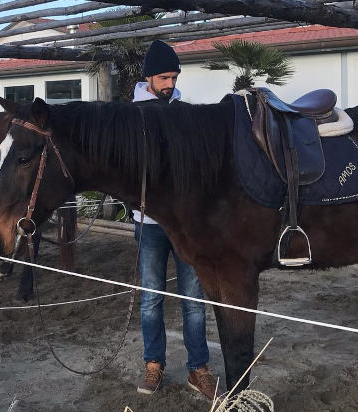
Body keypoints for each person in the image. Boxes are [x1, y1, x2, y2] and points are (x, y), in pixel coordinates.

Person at [132, 40, 217, 400]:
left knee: (194, 298)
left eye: (174, 77)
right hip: (149, 224)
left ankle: (198, 369)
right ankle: (154, 364)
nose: (170, 84)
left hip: (186, 224)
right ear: (148, 77)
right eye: (164, 77)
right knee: (151, 297)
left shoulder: (185, 112)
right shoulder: (129, 117)